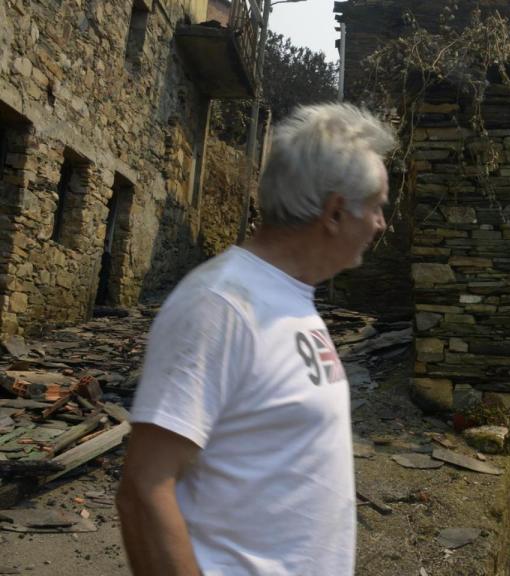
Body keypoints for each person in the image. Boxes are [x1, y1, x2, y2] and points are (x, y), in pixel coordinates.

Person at [116, 103, 395, 576]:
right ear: (334, 212)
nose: (381, 224)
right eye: (377, 207)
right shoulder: (221, 304)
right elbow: (144, 489)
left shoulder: (290, 297)